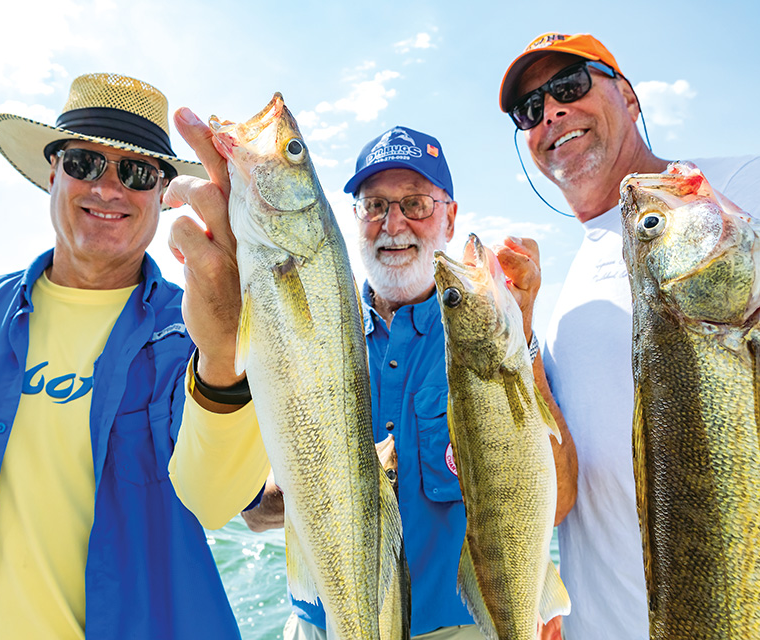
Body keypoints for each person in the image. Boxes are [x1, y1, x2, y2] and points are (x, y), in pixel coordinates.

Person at [0, 72, 267, 639]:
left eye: (138, 172)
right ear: (54, 172)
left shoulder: (199, 336)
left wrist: (222, 353)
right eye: (84, 163)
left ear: (163, 195)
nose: (109, 188)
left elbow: (217, 499)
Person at [497, 32, 760, 640]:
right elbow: (565, 484)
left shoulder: (745, 186)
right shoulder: (566, 290)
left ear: (631, 97)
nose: (552, 112)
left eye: (569, 86)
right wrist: (522, 333)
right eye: (530, 110)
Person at [227, 125, 577, 639]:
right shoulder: (308, 332)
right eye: (374, 206)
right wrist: (316, 489)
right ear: (354, 218)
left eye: (415, 203)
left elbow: (558, 501)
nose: (394, 224)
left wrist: (521, 335)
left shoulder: (488, 333)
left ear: (450, 218)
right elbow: (254, 513)